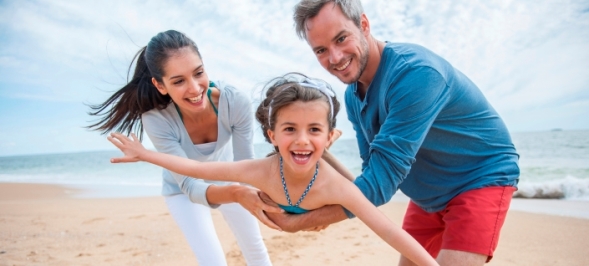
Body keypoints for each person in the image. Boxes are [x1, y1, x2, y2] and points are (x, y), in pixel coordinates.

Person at [263, 1, 520, 266]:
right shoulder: (353, 94)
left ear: (364, 25)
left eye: (341, 38)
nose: (335, 57)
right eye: (321, 50)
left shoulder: (416, 74)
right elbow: (372, 171)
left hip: (478, 179)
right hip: (427, 196)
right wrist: (324, 204)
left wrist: (305, 218)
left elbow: (381, 183)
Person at [107, 73, 440, 266]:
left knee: (341, 176)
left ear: (329, 134)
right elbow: (194, 167)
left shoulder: (337, 189)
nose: (300, 138)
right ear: (271, 135)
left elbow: (389, 231)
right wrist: (146, 155)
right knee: (305, 154)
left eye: (313, 129)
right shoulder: (260, 171)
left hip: (319, 187)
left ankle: (323, 147)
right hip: (287, 176)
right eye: (289, 129)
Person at [87, 30, 275, 266]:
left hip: (230, 179)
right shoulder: (157, 120)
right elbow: (190, 185)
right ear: (160, 85)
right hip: (182, 190)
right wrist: (237, 193)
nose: (195, 88)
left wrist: (259, 195)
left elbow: (246, 166)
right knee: (212, 261)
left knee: (255, 248)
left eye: (199, 73)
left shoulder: (235, 102)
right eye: (178, 81)